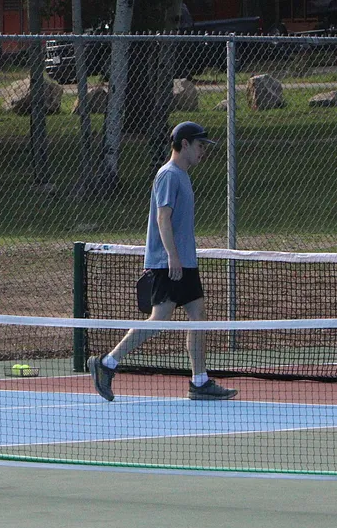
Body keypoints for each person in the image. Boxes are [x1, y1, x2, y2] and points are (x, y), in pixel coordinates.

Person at [88, 121, 238, 403]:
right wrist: (172, 257)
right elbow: (162, 218)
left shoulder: (183, 175)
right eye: (199, 146)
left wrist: (182, 259)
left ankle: (200, 381)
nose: (202, 151)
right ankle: (106, 363)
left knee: (197, 317)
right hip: (168, 263)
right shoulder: (168, 175)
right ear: (184, 145)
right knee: (159, 320)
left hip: (184, 262)